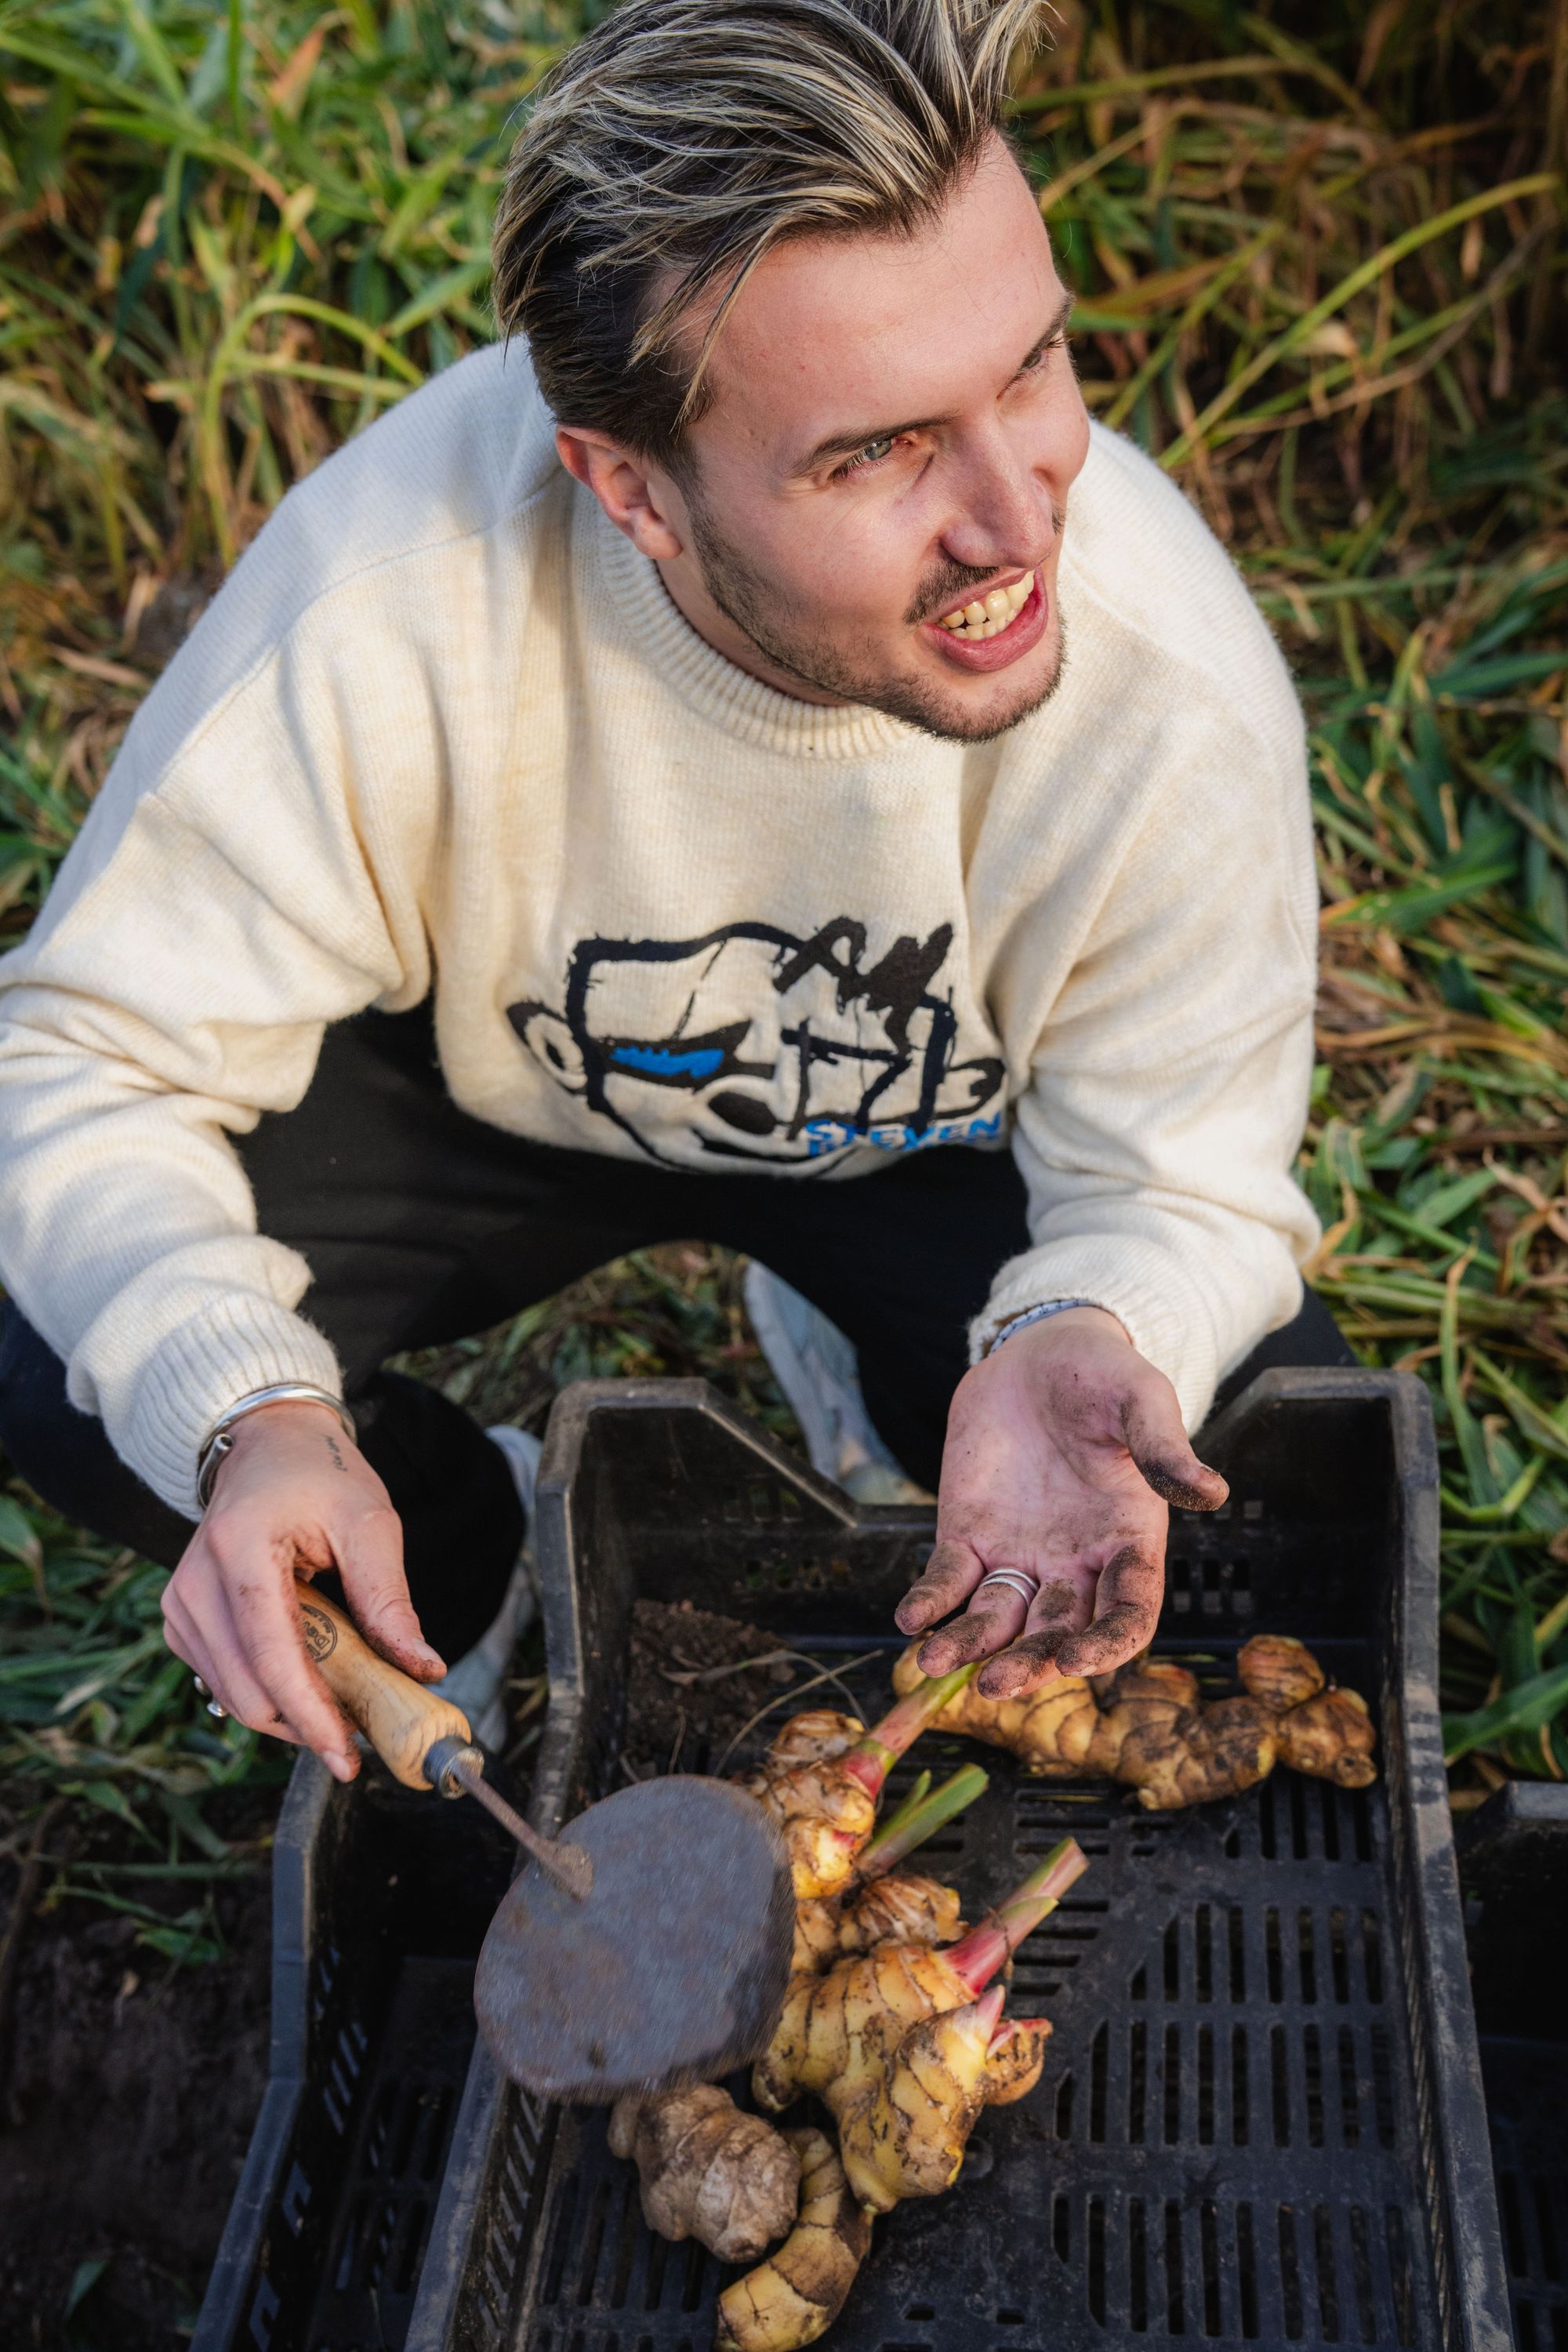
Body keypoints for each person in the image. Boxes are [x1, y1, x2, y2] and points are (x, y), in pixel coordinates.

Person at [0, 0, 1344, 1784]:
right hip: (490, 1080)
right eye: (873, 452)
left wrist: (1083, 1326)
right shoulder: (392, 599)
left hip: (931, 1125)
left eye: (1027, 370)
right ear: (627, 487)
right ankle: (455, 1560)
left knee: (1233, 1431)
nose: (1021, 528)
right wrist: (247, 1417)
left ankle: (896, 1362)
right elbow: (83, 1061)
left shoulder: (1159, 680)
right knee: (61, 1348)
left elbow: (1189, 1176)